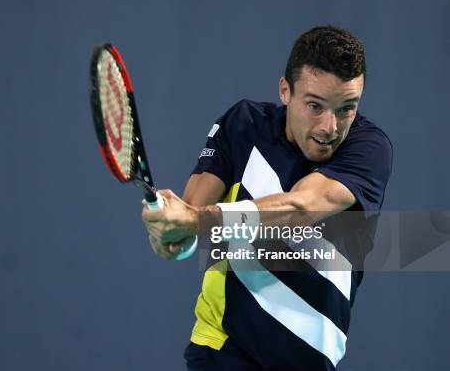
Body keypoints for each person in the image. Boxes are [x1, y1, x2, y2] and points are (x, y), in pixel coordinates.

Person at [142, 26, 393, 370]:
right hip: (224, 349)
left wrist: (197, 221)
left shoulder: (368, 149)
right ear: (285, 91)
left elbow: (301, 208)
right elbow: (192, 217)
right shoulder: (243, 125)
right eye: (315, 106)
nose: (329, 127)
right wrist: (173, 231)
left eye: (346, 108)